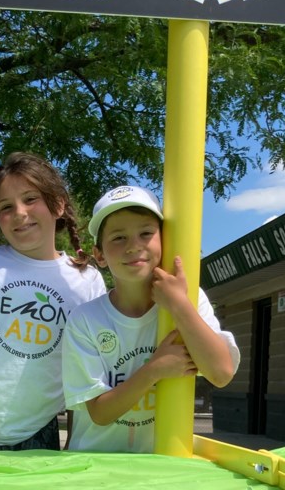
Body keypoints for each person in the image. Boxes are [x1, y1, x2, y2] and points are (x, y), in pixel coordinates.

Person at [0, 152, 108, 450]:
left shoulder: (88, 281)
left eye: (30, 199)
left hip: (39, 436)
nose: (19, 212)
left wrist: (73, 444)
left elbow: (87, 376)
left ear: (58, 204)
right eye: (6, 207)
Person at [61, 186, 240, 453]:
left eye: (146, 233)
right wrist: (154, 369)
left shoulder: (188, 300)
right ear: (99, 255)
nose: (134, 246)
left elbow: (221, 372)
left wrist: (179, 305)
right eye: (119, 237)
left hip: (160, 468)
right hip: (95, 465)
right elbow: (99, 412)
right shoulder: (85, 319)